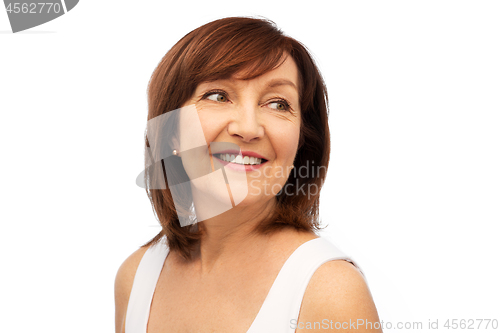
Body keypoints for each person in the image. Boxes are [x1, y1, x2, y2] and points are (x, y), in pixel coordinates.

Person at [115, 17, 382, 333]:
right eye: (218, 96)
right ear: (171, 130)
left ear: (301, 141)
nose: (247, 128)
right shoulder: (136, 277)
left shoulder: (329, 291)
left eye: (277, 103)